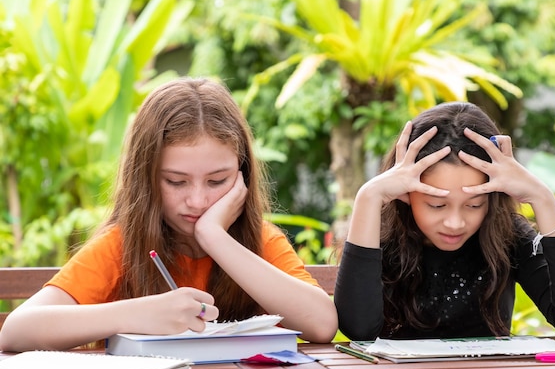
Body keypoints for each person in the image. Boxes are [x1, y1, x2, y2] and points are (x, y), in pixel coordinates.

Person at [0, 77, 338, 352]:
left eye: (217, 181)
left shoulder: (260, 242)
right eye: (176, 181)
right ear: (145, 178)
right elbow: (15, 331)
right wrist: (137, 314)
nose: (197, 200)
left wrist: (214, 236)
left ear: (242, 174)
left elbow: (322, 325)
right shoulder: (121, 245)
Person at [334, 101, 555, 340]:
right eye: (437, 205)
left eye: (474, 205)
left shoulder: (506, 235)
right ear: (406, 192)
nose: (455, 222)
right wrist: (369, 197)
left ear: (492, 197)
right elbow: (358, 330)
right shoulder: (382, 238)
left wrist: (543, 198)